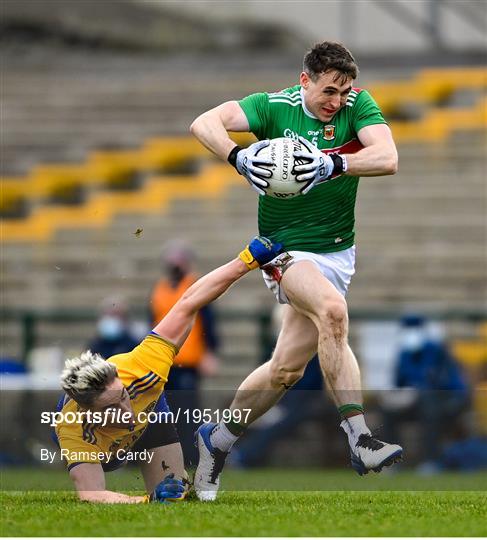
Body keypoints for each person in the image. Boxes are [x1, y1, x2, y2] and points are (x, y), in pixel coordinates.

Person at [190, 41, 402, 500]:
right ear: (305, 81)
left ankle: (216, 440)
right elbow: (203, 122)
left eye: (343, 93)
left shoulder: (357, 104)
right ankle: (361, 437)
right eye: (328, 91)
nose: (337, 102)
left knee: (285, 370)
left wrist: (333, 163)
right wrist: (237, 157)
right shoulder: (271, 107)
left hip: (337, 253)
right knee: (333, 312)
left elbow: (388, 158)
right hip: (283, 250)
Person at [52, 236, 282, 504]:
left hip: (152, 412)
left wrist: (247, 260)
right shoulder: (73, 427)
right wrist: (145, 500)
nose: (127, 413)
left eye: (124, 396)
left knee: (175, 495)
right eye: (110, 409)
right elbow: (91, 495)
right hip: (106, 454)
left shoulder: (141, 366)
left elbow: (189, 301)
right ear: (87, 410)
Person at [150, 240, 220, 467]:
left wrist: (209, 351)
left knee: (188, 412)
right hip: (164, 360)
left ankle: (192, 457)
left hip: (189, 360)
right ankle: (166, 457)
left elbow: (208, 321)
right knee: (164, 412)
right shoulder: (160, 288)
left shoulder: (195, 285)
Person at [382, 315, 470, 471]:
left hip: (446, 401)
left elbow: (441, 383)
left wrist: (418, 391)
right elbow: (399, 382)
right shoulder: (405, 354)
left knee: (429, 407)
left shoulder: (438, 350)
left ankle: (431, 461)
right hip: (415, 403)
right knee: (388, 411)